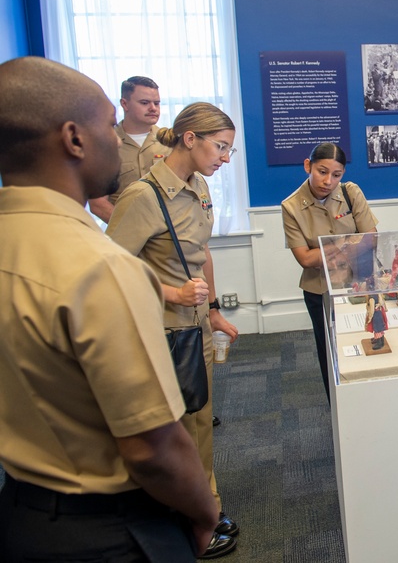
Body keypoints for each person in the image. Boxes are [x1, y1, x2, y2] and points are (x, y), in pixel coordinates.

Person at [0, 56, 219, 561]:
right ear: (75, 139)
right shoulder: (100, 268)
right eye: (107, 124)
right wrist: (204, 511)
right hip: (109, 529)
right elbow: (153, 447)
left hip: (22, 511)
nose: (119, 139)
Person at [106, 101, 242, 559]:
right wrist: (170, 294)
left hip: (198, 327)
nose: (226, 157)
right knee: (175, 429)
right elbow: (112, 270)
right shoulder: (143, 197)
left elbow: (201, 254)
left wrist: (215, 310)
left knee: (200, 421)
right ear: (190, 139)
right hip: (164, 331)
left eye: (230, 150)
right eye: (221, 147)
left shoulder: (199, 185)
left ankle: (206, 507)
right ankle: (185, 518)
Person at [281, 142, 378, 398]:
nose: (328, 181)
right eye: (322, 172)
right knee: (330, 352)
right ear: (307, 166)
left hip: (358, 283)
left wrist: (328, 249)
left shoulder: (350, 192)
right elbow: (305, 259)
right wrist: (349, 241)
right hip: (320, 290)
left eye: (336, 175)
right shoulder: (291, 207)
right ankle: (336, 406)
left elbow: (372, 238)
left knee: (368, 337)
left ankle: (368, 398)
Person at [88, 75, 170, 222]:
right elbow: (98, 204)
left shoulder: (169, 141)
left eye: (157, 103)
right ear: (125, 104)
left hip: (167, 234)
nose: (153, 108)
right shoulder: (105, 144)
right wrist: (132, 229)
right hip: (125, 237)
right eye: (144, 103)